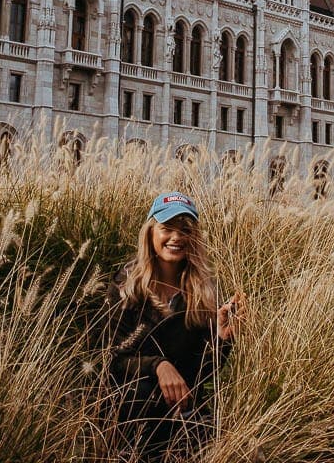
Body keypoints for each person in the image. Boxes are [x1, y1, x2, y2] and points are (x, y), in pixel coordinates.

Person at [104, 192, 243, 461]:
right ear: (151, 233)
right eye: (167, 228)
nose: (176, 238)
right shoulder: (126, 286)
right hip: (132, 409)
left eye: (185, 230)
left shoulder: (204, 291)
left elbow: (203, 373)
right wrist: (158, 365)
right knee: (142, 393)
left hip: (182, 409)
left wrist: (222, 340)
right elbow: (113, 359)